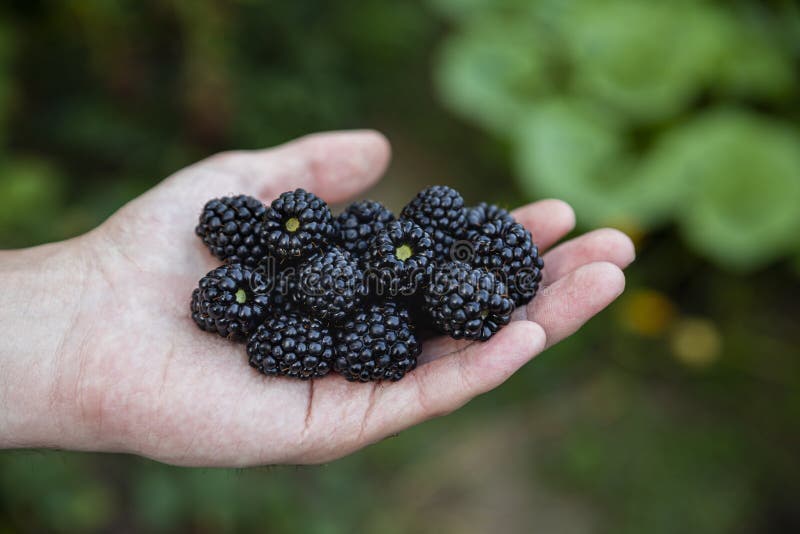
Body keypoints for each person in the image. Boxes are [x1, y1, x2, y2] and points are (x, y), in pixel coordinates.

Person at [0, 130, 634, 466]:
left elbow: (391, 278)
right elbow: (329, 279)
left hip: (380, 297)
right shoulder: (309, 265)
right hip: (337, 300)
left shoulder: (405, 266)